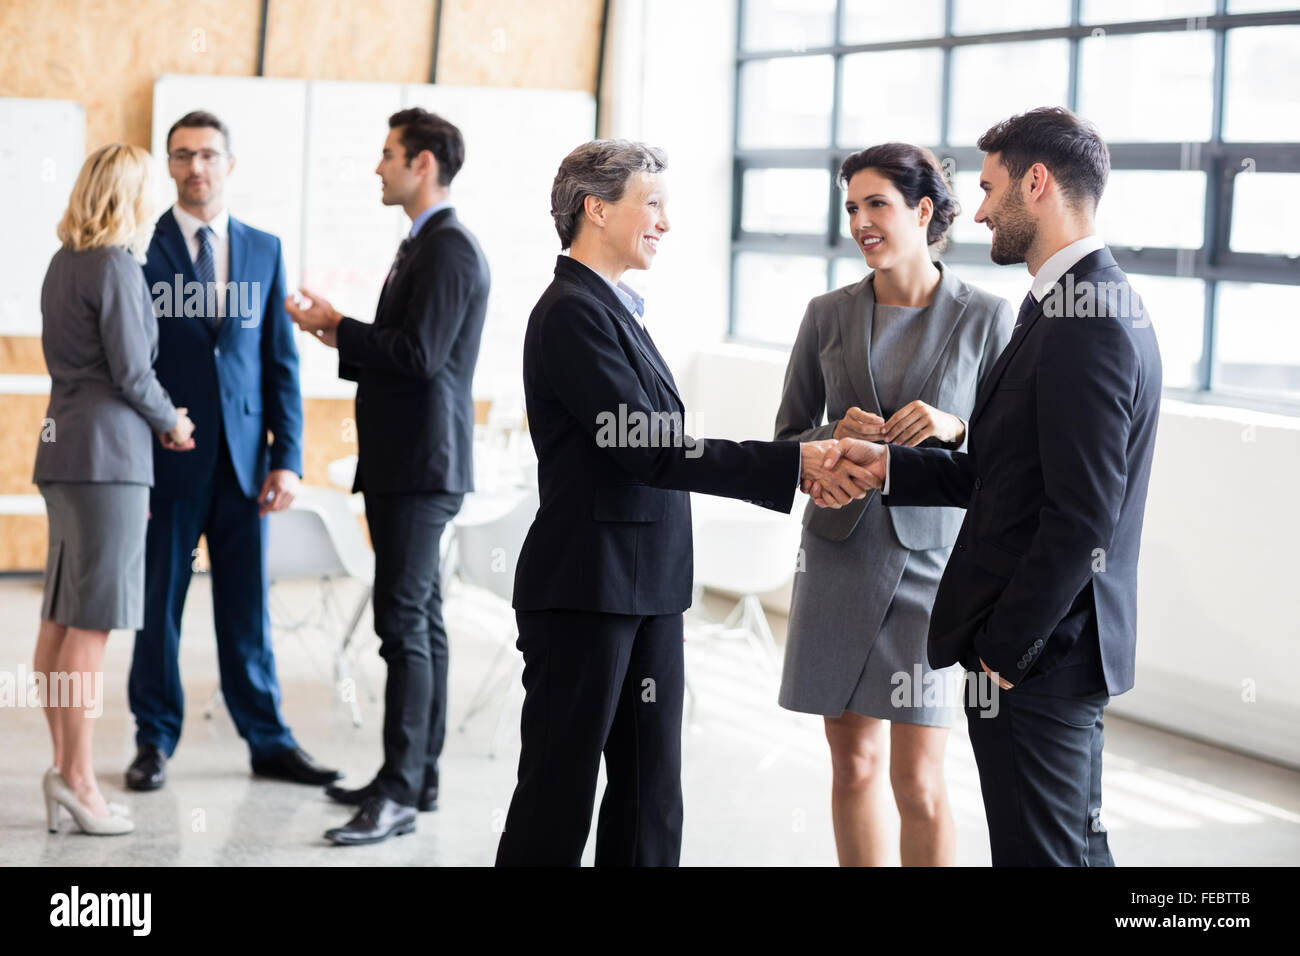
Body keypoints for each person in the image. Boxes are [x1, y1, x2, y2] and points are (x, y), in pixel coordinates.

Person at [494, 139, 871, 867]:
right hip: (586, 591)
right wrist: (796, 461)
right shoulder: (573, 312)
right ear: (596, 208)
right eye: (653, 202)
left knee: (649, 793)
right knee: (558, 793)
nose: (666, 220)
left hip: (645, 584)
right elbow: (651, 449)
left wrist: (809, 447)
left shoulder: (614, 309)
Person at [817, 107, 1163, 866]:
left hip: (1044, 657)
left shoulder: (1089, 317)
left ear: (1036, 184)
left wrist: (1007, 651)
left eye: (988, 188)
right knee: (1061, 848)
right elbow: (1003, 476)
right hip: (1039, 653)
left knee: (1045, 854)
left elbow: (1081, 517)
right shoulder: (1056, 305)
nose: (974, 211)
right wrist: (890, 468)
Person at [775, 142, 1013, 866]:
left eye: (876, 203)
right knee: (852, 766)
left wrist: (958, 426)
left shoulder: (988, 318)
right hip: (837, 560)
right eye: (851, 207)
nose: (860, 221)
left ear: (924, 210)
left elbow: (1013, 462)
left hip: (933, 570)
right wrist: (829, 434)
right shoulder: (826, 314)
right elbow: (786, 439)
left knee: (919, 781)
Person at [287, 108, 491, 846]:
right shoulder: (424, 245)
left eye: (387, 155)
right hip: (412, 463)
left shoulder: (448, 248)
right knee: (420, 621)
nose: (378, 168)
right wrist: (334, 328)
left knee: (401, 622)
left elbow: (419, 355)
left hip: (420, 466)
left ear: (424, 163)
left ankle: (401, 790)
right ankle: (414, 776)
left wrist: (340, 326)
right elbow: (410, 350)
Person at [125, 110, 340, 792]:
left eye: (208, 155)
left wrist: (289, 458)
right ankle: (153, 739)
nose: (196, 168)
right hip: (167, 462)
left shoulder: (262, 248)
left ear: (229, 164)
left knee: (247, 607)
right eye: (183, 155)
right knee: (159, 605)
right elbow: (130, 360)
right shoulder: (140, 247)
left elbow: (281, 364)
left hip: (247, 465)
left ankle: (268, 740)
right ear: (168, 165)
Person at [33, 144, 196, 835]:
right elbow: (133, 374)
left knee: (61, 618)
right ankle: (77, 781)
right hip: (111, 459)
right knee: (92, 625)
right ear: (127, 197)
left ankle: (64, 771)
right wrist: (174, 420)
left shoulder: (62, 263)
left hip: (63, 450)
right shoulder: (118, 267)